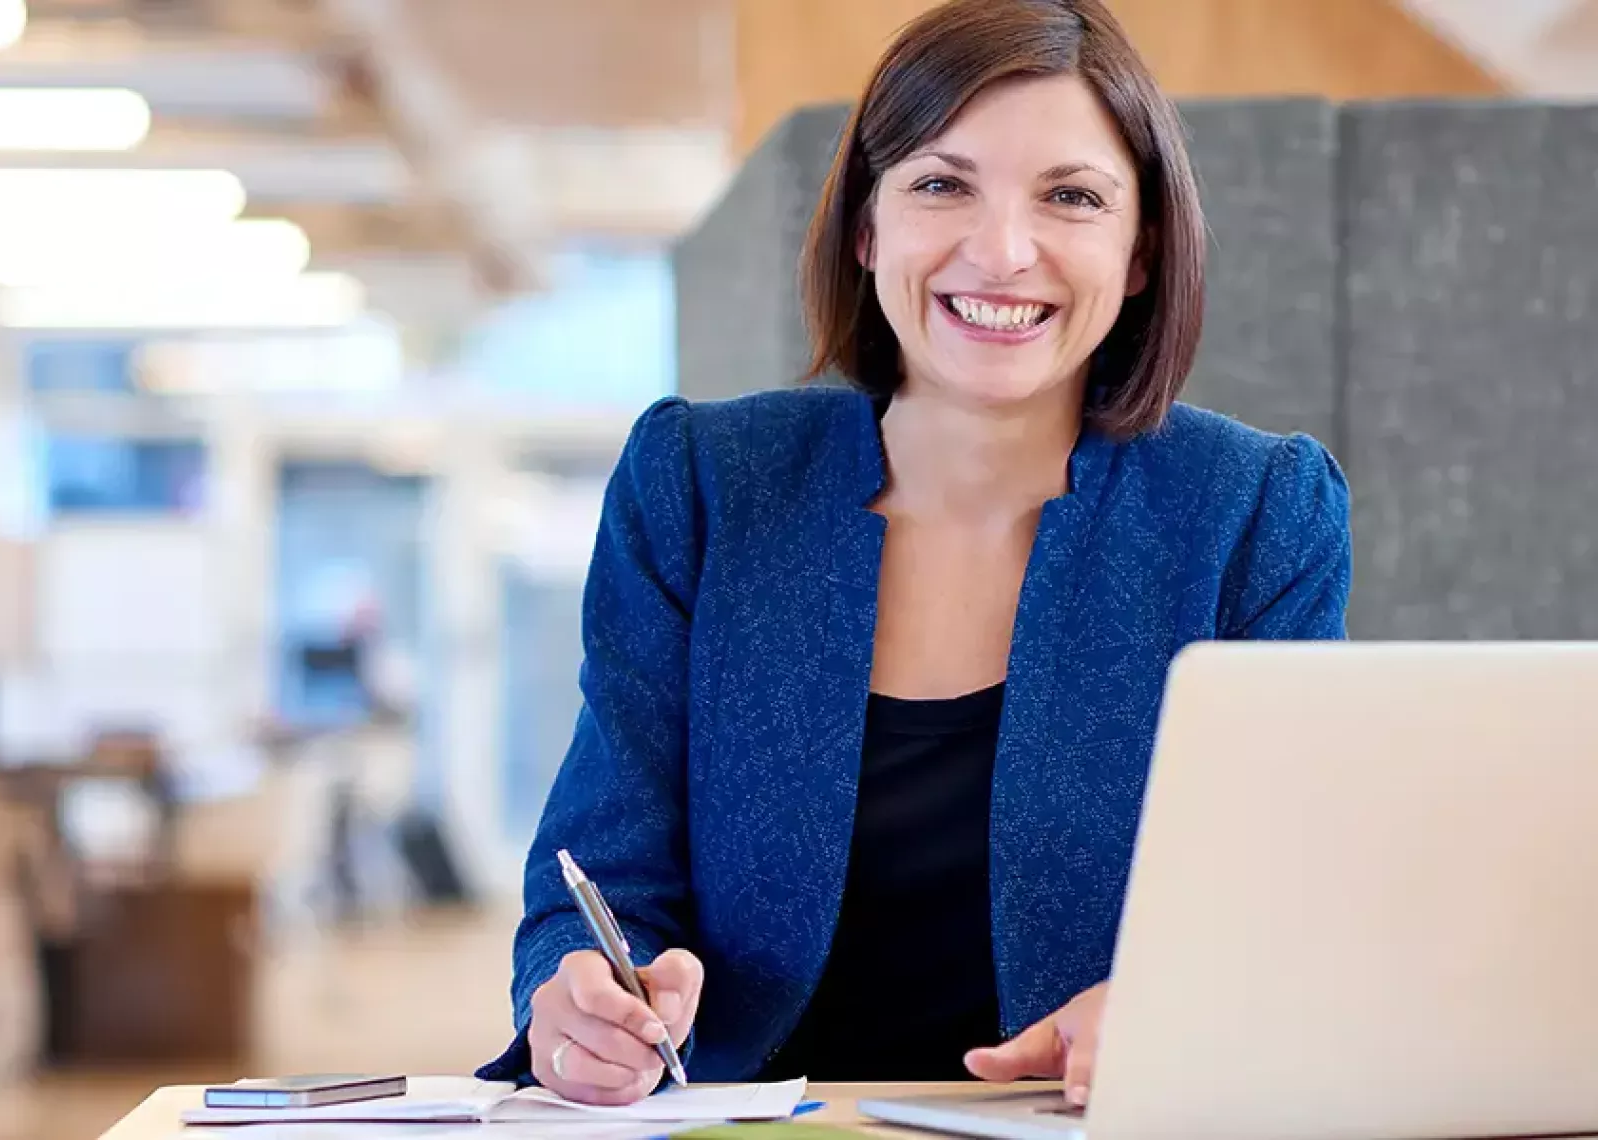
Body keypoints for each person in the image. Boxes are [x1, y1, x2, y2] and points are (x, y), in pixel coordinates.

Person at [476, 0, 1352, 1109]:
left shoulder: (1254, 512)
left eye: (1071, 197)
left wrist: (1180, 1010)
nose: (1001, 250)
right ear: (866, 228)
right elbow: (599, 876)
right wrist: (576, 1003)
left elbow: (1290, 901)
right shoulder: (703, 483)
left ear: (1140, 254)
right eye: (942, 185)